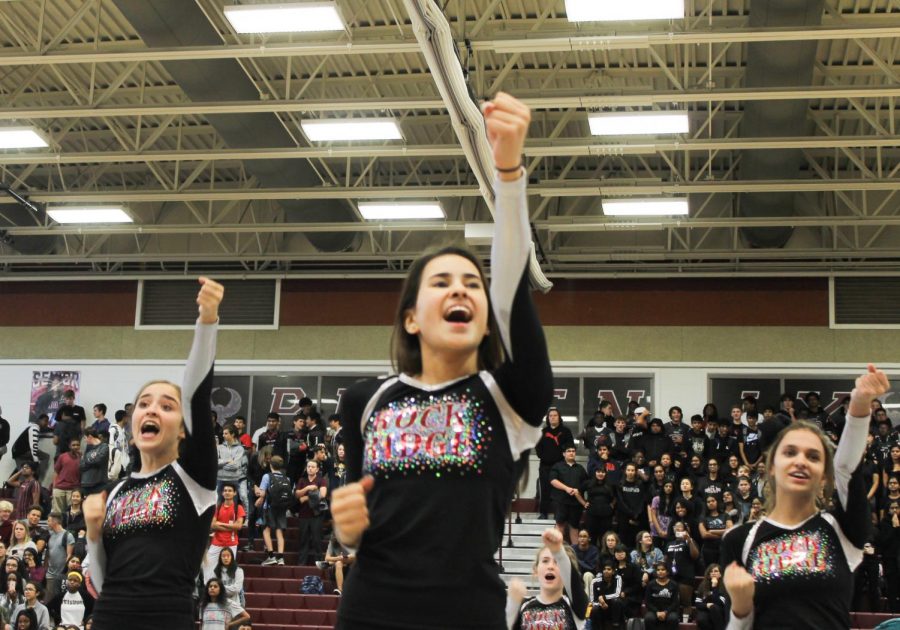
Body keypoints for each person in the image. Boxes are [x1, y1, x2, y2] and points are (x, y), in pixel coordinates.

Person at [330, 94, 553, 630]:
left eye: (471, 283)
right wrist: (345, 529)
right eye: (442, 282)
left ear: (484, 315)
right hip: (369, 612)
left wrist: (508, 172)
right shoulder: (367, 401)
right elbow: (357, 519)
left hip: (466, 614)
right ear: (411, 318)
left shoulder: (511, 399)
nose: (461, 290)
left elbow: (511, 289)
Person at [82, 278, 224, 629]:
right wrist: (93, 532)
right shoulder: (116, 491)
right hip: (109, 617)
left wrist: (206, 323)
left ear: (183, 428)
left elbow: (195, 393)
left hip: (167, 617)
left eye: (166, 405)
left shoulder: (193, 476)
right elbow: (102, 584)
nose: (152, 410)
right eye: (144, 404)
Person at [722, 364, 889, 630]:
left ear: (824, 474)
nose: (801, 461)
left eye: (813, 456)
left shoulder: (843, 529)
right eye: (790, 452)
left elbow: (847, 467)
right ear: (772, 466)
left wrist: (859, 406)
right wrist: (741, 610)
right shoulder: (739, 540)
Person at [506, 529, 587, 630]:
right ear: (535, 570)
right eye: (545, 561)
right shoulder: (524, 606)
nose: (550, 566)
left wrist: (559, 552)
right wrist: (512, 603)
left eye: (556, 562)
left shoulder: (574, 606)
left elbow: (573, 582)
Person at [536, 408, 575, 520]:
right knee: (545, 489)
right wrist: (544, 456)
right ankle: (543, 513)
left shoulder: (566, 431)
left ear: (559, 417)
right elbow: (538, 448)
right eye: (550, 416)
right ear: (548, 418)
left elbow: (570, 446)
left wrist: (561, 457)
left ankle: (559, 513)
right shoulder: (543, 432)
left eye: (555, 415)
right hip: (545, 465)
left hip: (561, 466)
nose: (552, 417)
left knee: (560, 490)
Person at [204, 483, 244, 582]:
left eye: (230, 491)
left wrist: (220, 524)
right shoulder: (217, 507)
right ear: (222, 493)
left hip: (231, 543)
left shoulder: (238, 508)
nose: (227, 492)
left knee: (228, 570)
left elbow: (238, 526)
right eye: (225, 490)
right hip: (216, 542)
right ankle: (208, 588)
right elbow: (212, 525)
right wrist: (231, 527)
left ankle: (226, 591)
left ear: (235, 493)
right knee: (207, 566)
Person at [550, 446, 588, 544]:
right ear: (564, 454)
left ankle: (575, 554)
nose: (571, 453)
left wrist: (578, 491)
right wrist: (566, 488)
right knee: (559, 526)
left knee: (574, 528)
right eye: (569, 451)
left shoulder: (580, 468)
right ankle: (556, 551)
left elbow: (586, 484)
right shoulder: (557, 466)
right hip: (560, 501)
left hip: (575, 503)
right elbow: (553, 481)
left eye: (573, 451)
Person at [257, 455, 289, 566]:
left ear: (271, 465)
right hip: (282, 508)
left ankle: (271, 556)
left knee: (266, 530)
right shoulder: (286, 478)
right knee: (279, 532)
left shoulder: (267, 476)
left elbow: (262, 493)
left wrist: (258, 495)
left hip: (269, 507)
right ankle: (281, 558)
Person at [294, 459, 327, 566]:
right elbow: (297, 495)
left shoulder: (321, 480)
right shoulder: (302, 480)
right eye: (308, 466)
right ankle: (301, 563)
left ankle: (319, 563)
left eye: (312, 467)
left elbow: (322, 495)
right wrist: (308, 488)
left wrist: (306, 497)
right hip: (303, 514)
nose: (310, 468)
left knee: (317, 540)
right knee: (303, 539)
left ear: (317, 469)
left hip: (316, 515)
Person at [216, 426, 248, 515]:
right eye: (223, 433)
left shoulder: (240, 448)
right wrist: (227, 461)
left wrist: (222, 465)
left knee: (233, 503)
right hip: (220, 478)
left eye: (226, 433)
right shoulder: (219, 447)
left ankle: (234, 520)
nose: (223, 435)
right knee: (217, 500)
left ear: (232, 434)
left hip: (234, 478)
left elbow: (236, 465)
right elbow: (215, 462)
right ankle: (215, 519)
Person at [43, 513, 74, 603]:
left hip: (62, 574)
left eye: (49, 521)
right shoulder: (50, 535)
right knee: (49, 600)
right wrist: (45, 569)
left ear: (55, 521)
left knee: (60, 599)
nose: (47, 523)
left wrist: (65, 573)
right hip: (50, 574)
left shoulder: (67, 535)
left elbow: (69, 555)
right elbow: (48, 553)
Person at [643, 561, 679, 630]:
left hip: (669, 611)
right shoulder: (651, 584)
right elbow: (648, 602)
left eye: (663, 569)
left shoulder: (674, 584)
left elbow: (675, 602)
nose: (660, 571)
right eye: (658, 570)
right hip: (654, 611)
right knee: (649, 618)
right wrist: (657, 612)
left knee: (673, 618)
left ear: (667, 572)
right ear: (656, 572)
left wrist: (666, 612)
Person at [589, 559, 624, 630]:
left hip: (613, 607)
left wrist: (603, 597)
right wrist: (601, 604)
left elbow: (617, 594)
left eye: (609, 569)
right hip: (601, 608)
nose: (606, 571)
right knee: (594, 609)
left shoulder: (618, 578)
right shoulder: (595, 581)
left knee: (617, 601)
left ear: (613, 571)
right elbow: (592, 601)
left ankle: (615, 625)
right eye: (604, 569)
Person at [698, 496, 732, 569]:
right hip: (709, 549)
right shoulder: (703, 517)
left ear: (717, 502)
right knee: (710, 571)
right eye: (708, 502)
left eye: (713, 501)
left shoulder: (725, 515)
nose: (711, 503)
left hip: (724, 547)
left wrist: (712, 531)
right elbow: (704, 534)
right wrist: (722, 534)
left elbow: (730, 530)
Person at [694, 564, 728, 630]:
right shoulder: (703, 585)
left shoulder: (724, 586)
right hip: (706, 610)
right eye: (711, 571)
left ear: (720, 574)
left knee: (714, 608)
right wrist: (707, 605)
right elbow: (697, 603)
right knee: (701, 619)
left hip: (720, 612)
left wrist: (714, 586)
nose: (713, 573)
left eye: (716, 571)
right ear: (708, 574)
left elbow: (719, 603)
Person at [52, 440, 81, 515]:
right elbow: (56, 471)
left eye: (77, 445)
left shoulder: (82, 458)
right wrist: (54, 486)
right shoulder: (62, 456)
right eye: (73, 445)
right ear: (69, 446)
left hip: (72, 490)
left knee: (72, 512)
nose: (75, 447)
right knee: (57, 513)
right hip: (59, 488)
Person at [212, 548, 244, 615]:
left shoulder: (238, 571)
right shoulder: (216, 571)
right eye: (223, 556)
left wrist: (220, 588)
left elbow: (236, 589)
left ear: (232, 557)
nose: (226, 558)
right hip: (220, 604)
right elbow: (214, 589)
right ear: (220, 558)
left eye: (228, 556)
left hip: (235, 604)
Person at [78, 430, 108, 497]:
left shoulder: (104, 447)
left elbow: (98, 460)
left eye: (85, 438)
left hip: (99, 484)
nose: (85, 441)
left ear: (90, 437)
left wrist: (87, 460)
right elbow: (81, 465)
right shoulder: (87, 449)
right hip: (85, 485)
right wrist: (90, 460)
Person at [571, 530, 599, 597]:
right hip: (577, 573)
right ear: (578, 538)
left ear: (589, 538)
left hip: (589, 574)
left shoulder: (594, 550)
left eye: (584, 536)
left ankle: (587, 602)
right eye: (580, 536)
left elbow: (591, 568)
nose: (582, 538)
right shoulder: (572, 548)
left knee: (587, 575)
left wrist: (578, 561)